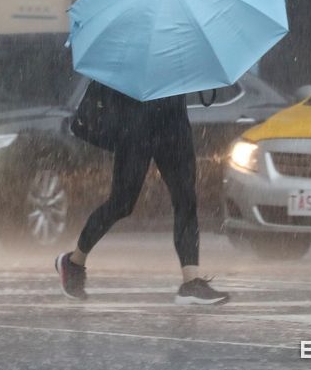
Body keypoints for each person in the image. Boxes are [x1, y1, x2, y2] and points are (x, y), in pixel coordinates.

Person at [55, 87, 229, 305]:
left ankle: (191, 282)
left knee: (185, 198)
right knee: (122, 203)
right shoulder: (128, 52)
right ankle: (73, 262)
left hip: (173, 121)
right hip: (135, 123)